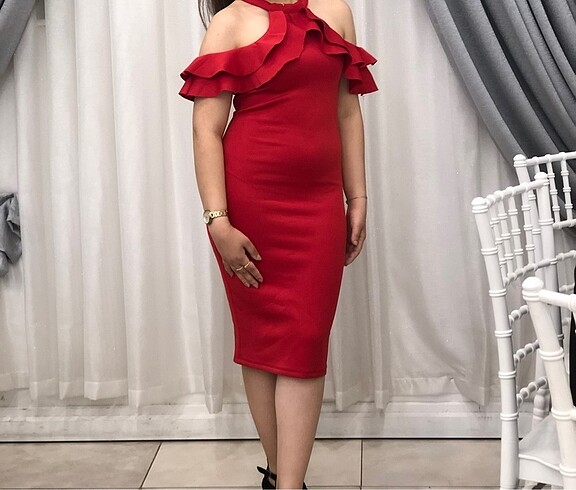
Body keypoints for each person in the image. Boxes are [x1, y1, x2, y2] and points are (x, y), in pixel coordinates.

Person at [178, 0, 377, 488]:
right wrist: (218, 222)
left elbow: (347, 111)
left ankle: (286, 481)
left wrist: (358, 196)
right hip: (250, 204)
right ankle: (284, 479)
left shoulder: (336, 12)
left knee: (305, 341)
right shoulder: (229, 22)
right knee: (263, 341)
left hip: (318, 202)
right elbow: (206, 129)